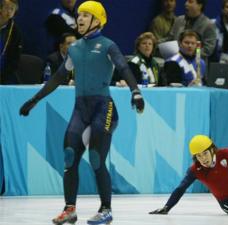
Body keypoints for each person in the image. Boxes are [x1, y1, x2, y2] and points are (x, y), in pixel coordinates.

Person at [19, 1, 145, 225]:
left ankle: (106, 209)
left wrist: (135, 92)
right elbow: (58, 77)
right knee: (69, 156)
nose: (80, 18)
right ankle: (70, 209)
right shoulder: (75, 48)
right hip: (81, 109)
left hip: (103, 109)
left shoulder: (108, 45)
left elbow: (124, 68)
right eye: (79, 15)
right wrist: (35, 99)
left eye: (86, 15)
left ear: (98, 21)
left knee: (96, 159)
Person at [0, 0, 22, 85]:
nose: (9, 11)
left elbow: (15, 59)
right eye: (7, 8)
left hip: (4, 76)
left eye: (12, 9)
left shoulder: (15, 32)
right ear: (0, 9)